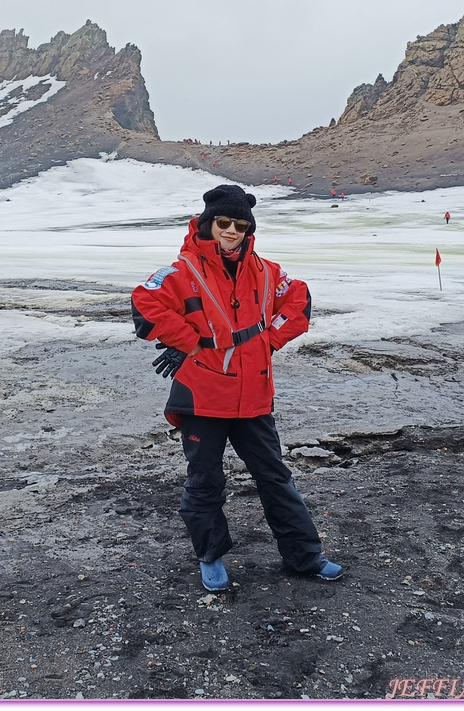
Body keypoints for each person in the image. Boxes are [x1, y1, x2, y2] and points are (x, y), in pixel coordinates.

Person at [131, 184, 343, 592]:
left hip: (254, 398)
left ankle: (305, 556)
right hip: (203, 397)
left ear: (249, 229)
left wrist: (269, 339)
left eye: (240, 224)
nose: (231, 231)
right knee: (205, 481)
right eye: (224, 222)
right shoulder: (182, 271)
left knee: (276, 477)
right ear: (208, 223)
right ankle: (210, 556)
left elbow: (299, 301)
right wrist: (188, 340)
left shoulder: (267, 272)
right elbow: (144, 304)